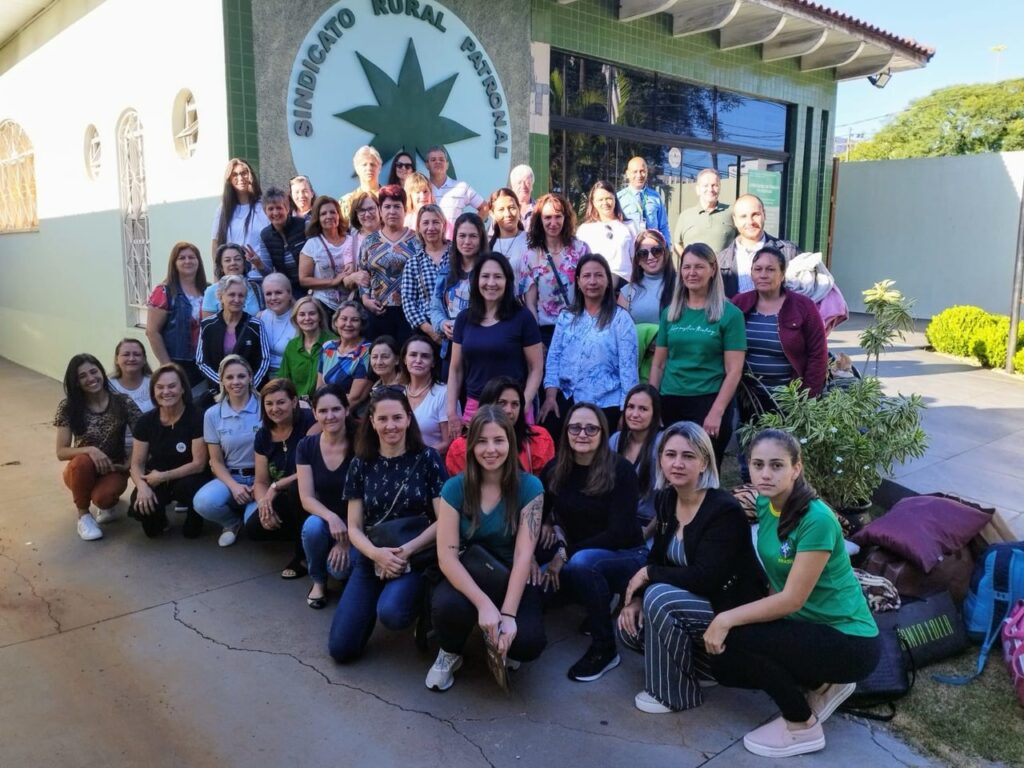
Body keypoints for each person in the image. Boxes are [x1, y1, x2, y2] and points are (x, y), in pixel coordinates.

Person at [705, 429, 880, 758]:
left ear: (796, 468)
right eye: (758, 465)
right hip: (809, 625)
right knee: (725, 665)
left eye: (776, 465)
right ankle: (820, 683)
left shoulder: (817, 520)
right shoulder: (765, 503)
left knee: (737, 638)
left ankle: (801, 725)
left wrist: (726, 619)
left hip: (849, 640)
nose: (766, 474)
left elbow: (791, 599)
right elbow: (775, 578)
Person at [617, 421, 765, 714]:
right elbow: (658, 556)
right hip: (697, 606)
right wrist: (633, 600)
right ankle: (705, 669)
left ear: (704, 462)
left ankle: (674, 693)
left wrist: (647, 577)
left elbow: (706, 578)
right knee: (628, 628)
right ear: (660, 459)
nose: (678, 463)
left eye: (688, 456)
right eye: (670, 454)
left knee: (658, 597)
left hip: (732, 608)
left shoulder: (723, 509)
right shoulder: (666, 499)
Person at [427, 406, 546, 691]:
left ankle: (499, 639)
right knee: (446, 607)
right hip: (468, 574)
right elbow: (447, 556)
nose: (490, 449)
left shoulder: (530, 487)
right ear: (470, 445)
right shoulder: (455, 488)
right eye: (481, 441)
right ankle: (450, 652)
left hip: (508, 577)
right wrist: (484, 605)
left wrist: (507, 614)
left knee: (529, 643)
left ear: (510, 443)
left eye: (498, 440)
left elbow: (523, 556)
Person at [328, 388, 446, 662]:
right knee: (341, 650)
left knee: (392, 614)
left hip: (414, 554)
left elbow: (445, 520)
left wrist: (405, 552)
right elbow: (354, 527)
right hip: (372, 554)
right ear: (372, 421)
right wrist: (376, 555)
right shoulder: (361, 463)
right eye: (383, 419)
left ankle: (421, 604)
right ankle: (369, 602)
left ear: (408, 419)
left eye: (397, 418)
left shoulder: (427, 458)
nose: (390, 425)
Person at [540, 403, 645, 682]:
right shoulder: (555, 469)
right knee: (538, 585)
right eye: (575, 427)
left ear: (602, 432)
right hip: (578, 555)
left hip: (626, 555)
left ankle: (605, 649)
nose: (582, 433)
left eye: (591, 428)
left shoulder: (620, 470)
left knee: (582, 564)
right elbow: (536, 510)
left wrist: (564, 553)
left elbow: (619, 532)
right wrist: (547, 524)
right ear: (566, 431)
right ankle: (597, 598)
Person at [649, 243, 745, 469]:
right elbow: (659, 364)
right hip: (670, 400)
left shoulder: (730, 314)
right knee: (672, 470)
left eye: (699, 267)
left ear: (713, 270)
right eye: (687, 267)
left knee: (704, 472)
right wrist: (653, 403)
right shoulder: (670, 313)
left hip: (708, 400)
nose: (691, 273)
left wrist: (716, 412)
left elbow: (734, 371)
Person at [540, 253, 638, 440]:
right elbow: (554, 358)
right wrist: (550, 396)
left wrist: (626, 411)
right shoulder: (566, 317)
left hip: (606, 404)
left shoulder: (621, 319)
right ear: (578, 281)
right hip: (568, 399)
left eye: (598, 275)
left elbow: (628, 371)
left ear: (608, 281)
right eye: (586, 276)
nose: (592, 281)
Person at [447, 254, 544, 426]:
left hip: (512, 409)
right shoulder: (464, 319)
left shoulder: (522, 318)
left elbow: (535, 368)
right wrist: (451, 411)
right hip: (475, 408)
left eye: (498, 277)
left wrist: (524, 403)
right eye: (485, 276)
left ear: (507, 281)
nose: (491, 283)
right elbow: (455, 370)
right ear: (476, 280)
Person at [54, 354, 142, 540]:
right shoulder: (68, 407)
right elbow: (61, 452)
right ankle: (84, 516)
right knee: (82, 462)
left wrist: (129, 462)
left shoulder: (122, 402)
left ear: (102, 372)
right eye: (82, 376)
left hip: (113, 467)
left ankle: (106, 503)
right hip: (80, 470)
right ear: (76, 382)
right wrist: (91, 450)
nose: (90, 378)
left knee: (103, 499)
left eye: (94, 372)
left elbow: (143, 435)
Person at [733, 246, 829, 406]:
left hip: (790, 399)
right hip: (747, 398)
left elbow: (818, 354)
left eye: (770, 269)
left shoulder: (803, 306)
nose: (763, 275)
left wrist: (808, 395)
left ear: (783, 274)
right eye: (758, 269)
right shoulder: (739, 303)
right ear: (751, 273)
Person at [243, 378, 318, 578]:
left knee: (295, 490)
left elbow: (309, 470)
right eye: (269, 403)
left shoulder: (310, 421)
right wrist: (263, 505)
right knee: (254, 528)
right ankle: (303, 534)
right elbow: (260, 480)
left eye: (281, 402)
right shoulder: (263, 435)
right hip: (281, 494)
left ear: (294, 402)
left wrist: (275, 487)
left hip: (311, 489)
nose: (275, 408)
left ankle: (302, 555)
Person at [127, 363, 209, 539]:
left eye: (172, 386)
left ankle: (195, 514)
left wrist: (163, 476)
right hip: (156, 476)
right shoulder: (145, 421)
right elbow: (137, 463)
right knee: (148, 522)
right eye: (160, 387)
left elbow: (199, 464)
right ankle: (160, 518)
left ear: (182, 389)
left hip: (190, 476)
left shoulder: (197, 417)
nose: (166, 392)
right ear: (153, 391)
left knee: (192, 532)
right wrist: (142, 487)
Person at [193, 355, 261, 547]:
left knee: (256, 524)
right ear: (221, 380)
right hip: (231, 477)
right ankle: (231, 523)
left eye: (241, 376)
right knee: (203, 502)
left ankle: (248, 513)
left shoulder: (264, 406)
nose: (236, 382)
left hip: (262, 479)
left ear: (250, 377)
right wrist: (234, 486)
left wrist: (260, 483)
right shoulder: (213, 414)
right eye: (229, 377)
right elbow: (216, 461)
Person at [298, 385, 355, 609]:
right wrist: (332, 518)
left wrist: (346, 539)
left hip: (359, 522)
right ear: (314, 414)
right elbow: (307, 497)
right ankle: (318, 582)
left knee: (340, 571)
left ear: (346, 410)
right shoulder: (307, 446)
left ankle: (342, 571)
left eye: (336, 409)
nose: (329, 416)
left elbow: (368, 499)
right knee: (312, 526)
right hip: (327, 519)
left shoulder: (361, 443)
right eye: (322, 411)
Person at [518, 192, 591, 346]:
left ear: (565, 218)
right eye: (548, 217)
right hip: (546, 333)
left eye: (558, 216)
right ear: (540, 220)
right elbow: (530, 303)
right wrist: (536, 339)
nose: (553, 222)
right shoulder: (530, 256)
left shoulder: (581, 250)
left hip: (578, 328)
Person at [445, 376, 554, 475]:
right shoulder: (461, 448)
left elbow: (542, 487)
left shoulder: (538, 439)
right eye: (502, 403)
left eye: (515, 404)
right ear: (486, 406)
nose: (509, 410)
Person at [358, 184, 418, 343]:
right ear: (380, 210)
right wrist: (365, 300)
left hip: (410, 312)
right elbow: (363, 274)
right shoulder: (370, 241)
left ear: (405, 209)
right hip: (378, 312)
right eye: (387, 206)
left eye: (397, 206)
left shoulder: (418, 240)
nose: (392, 211)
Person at [146, 242, 209, 386]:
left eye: (192, 257)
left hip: (205, 363)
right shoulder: (164, 291)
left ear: (198, 261)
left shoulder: (209, 290)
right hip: (177, 362)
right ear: (174, 263)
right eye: (182, 258)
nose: (187, 261)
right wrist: (167, 366)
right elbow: (152, 332)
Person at [430, 212, 485, 378]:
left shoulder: (490, 271)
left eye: (473, 236)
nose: (467, 241)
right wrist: (442, 323)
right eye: (462, 236)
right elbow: (435, 308)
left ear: (481, 238)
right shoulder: (446, 272)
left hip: (481, 347)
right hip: (451, 348)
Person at [196, 275, 270, 389]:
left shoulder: (256, 325)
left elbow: (264, 360)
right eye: (231, 295)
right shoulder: (207, 325)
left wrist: (248, 386)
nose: (236, 299)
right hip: (218, 393)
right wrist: (223, 385)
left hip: (250, 391)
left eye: (241, 295)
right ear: (221, 297)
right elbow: (202, 361)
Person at [609, 383, 662, 541]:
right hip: (616, 524)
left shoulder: (664, 444)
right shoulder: (615, 440)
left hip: (651, 526)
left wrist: (646, 534)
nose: (634, 414)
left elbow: (672, 500)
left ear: (655, 414)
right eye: (630, 407)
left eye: (643, 409)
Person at [718, 194, 798, 298]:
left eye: (755, 214)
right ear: (735, 220)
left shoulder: (789, 253)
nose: (750, 222)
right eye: (743, 216)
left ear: (764, 215)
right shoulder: (720, 262)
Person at [298, 195, 365, 318]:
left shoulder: (354, 241)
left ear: (339, 215)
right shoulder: (312, 245)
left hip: (352, 304)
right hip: (324, 306)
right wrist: (333, 281)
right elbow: (304, 279)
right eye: (323, 214)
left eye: (333, 212)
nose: (329, 216)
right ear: (317, 218)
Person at [211, 158, 270, 280]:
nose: (240, 178)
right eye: (235, 174)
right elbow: (216, 243)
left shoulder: (264, 206)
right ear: (229, 179)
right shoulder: (223, 210)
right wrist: (217, 276)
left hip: (260, 277)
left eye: (244, 173)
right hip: (232, 279)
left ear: (251, 175)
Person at [401, 204, 449, 344]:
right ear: (419, 228)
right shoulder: (414, 263)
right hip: (427, 331)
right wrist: (430, 331)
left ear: (443, 225)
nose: (431, 228)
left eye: (436, 222)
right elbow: (408, 302)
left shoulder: (457, 255)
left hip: (456, 325)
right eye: (425, 223)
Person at [575, 180, 639, 284]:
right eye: (600, 200)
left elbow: (635, 259)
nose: (605, 203)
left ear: (615, 199)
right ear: (593, 202)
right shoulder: (584, 230)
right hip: (595, 285)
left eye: (609, 198)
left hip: (624, 285)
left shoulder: (629, 226)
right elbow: (580, 263)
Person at [400, 335, 455, 454]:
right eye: (413, 355)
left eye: (425, 356)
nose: (418, 360)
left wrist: (417, 457)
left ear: (433, 362)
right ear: (404, 359)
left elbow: (449, 443)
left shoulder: (444, 394)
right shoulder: (399, 394)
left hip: (432, 465)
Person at [277, 296, 337, 399]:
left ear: (320, 317)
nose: (307, 318)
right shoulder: (292, 346)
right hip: (298, 406)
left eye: (312, 313)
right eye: (302, 314)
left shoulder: (334, 343)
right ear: (296, 319)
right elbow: (283, 382)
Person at [317, 301, 372, 410]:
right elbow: (319, 389)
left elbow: (355, 398)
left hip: (352, 414)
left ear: (362, 324)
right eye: (344, 319)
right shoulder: (328, 348)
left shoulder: (367, 351)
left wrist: (331, 413)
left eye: (355, 320)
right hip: (327, 410)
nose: (348, 324)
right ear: (336, 322)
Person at [257, 186, 308, 299]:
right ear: (265, 212)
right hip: (289, 290)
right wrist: (258, 264)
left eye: (279, 208)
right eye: (270, 209)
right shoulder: (265, 236)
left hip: (312, 283)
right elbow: (269, 274)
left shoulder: (303, 225)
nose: (275, 212)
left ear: (287, 208)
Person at [618, 230, 676, 326]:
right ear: (638, 260)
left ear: (665, 253)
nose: (650, 257)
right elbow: (620, 329)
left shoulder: (682, 284)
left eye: (656, 251)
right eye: (643, 254)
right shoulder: (627, 291)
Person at [674, 169, 736, 255]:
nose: (710, 189)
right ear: (698, 190)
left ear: (720, 188)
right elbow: (677, 244)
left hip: (724, 268)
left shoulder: (732, 212)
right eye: (705, 186)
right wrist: (688, 261)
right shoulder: (685, 216)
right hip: (695, 268)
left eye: (714, 185)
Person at [426, 145, 488, 223]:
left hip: (454, 235)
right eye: (433, 160)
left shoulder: (461, 187)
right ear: (427, 165)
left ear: (447, 165)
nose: (438, 162)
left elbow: (485, 208)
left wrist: (471, 227)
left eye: (441, 159)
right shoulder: (421, 189)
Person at [201, 243, 263, 318]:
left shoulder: (256, 288)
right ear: (221, 267)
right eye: (227, 260)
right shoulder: (211, 291)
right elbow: (208, 326)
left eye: (237, 259)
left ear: (244, 263)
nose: (233, 263)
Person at [617, 157, 670, 243]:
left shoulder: (655, 197)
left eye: (642, 171)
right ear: (627, 174)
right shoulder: (619, 198)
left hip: (652, 251)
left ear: (647, 172)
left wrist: (667, 248)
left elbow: (663, 226)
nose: (639, 175)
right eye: (635, 172)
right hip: (630, 251)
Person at [258, 273, 297, 378]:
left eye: (278, 292)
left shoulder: (300, 318)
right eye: (268, 294)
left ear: (289, 293)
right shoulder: (260, 317)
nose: (273, 298)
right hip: (263, 375)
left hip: (290, 375)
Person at [487, 187, 528, 274]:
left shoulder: (531, 242)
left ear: (519, 208)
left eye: (512, 208)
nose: (507, 214)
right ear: (492, 214)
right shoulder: (488, 247)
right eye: (501, 209)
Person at [108, 338, 153, 413]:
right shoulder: (108, 386)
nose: (131, 359)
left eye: (137, 354)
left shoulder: (155, 383)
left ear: (144, 359)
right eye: (126, 354)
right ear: (116, 359)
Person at [339, 145, 382, 219]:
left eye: (373, 164)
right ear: (356, 169)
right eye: (364, 165)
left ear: (379, 168)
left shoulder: (389, 197)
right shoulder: (347, 201)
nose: (369, 168)